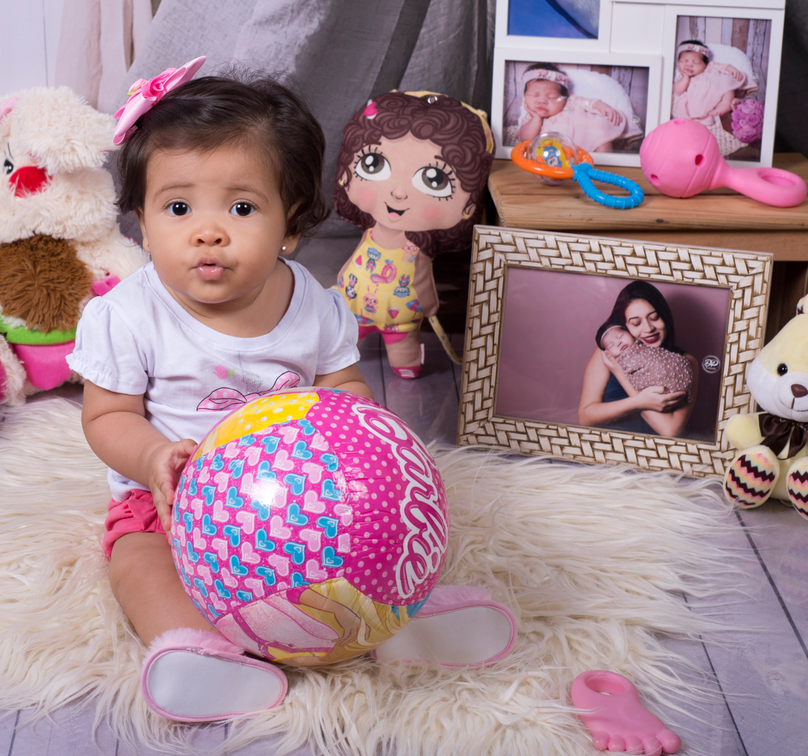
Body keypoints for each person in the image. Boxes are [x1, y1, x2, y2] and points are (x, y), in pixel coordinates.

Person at [69, 63, 516, 722]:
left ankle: (398, 626)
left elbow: (342, 385)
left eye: (242, 207)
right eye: (178, 207)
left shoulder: (311, 302)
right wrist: (153, 458)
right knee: (138, 560)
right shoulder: (128, 315)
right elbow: (108, 415)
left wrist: (372, 459)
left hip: (302, 498)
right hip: (170, 498)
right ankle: (197, 650)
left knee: (375, 537)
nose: (208, 231)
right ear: (139, 220)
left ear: (291, 227)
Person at [333, 91, 494, 378]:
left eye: (434, 179)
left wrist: (429, 305)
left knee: (401, 353)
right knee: (339, 352)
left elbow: (422, 283)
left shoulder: (417, 248)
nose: (398, 192)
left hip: (398, 317)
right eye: (373, 164)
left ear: (469, 205)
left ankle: (404, 364)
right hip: (354, 305)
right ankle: (342, 360)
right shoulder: (372, 230)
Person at [578, 281, 699, 438]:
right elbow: (585, 417)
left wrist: (621, 374)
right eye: (636, 323)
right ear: (624, 326)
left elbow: (670, 430)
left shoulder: (686, 362)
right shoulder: (609, 353)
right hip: (609, 445)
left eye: (654, 318)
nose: (648, 329)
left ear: (665, 317)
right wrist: (639, 401)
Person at [517, 63, 626, 153]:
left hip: (590, 143)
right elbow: (526, 140)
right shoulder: (530, 119)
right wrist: (536, 118)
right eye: (534, 95)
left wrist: (604, 108)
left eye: (552, 97)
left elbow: (591, 103)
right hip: (559, 155)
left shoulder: (571, 102)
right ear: (525, 96)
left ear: (565, 97)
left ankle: (604, 167)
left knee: (602, 135)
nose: (542, 101)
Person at [595, 323, 693, 407]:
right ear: (607, 353)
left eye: (620, 336)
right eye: (612, 345)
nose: (619, 343)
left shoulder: (642, 344)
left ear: (630, 333)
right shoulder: (618, 361)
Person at [671, 40, 753, 123]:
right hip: (700, 101)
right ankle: (703, 117)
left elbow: (723, 67)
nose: (689, 65)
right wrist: (685, 78)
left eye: (696, 62)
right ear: (678, 64)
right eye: (684, 61)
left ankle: (726, 103)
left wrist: (730, 69)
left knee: (727, 81)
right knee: (687, 105)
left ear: (705, 63)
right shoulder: (682, 77)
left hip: (717, 91)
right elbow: (677, 91)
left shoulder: (710, 67)